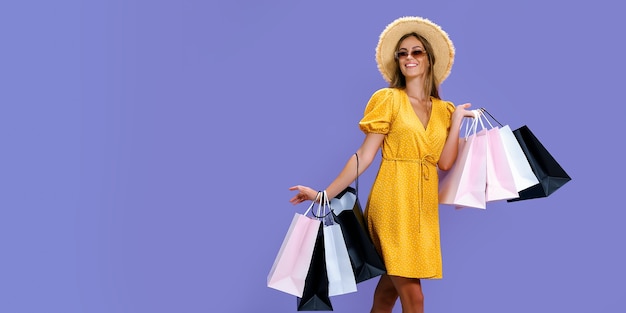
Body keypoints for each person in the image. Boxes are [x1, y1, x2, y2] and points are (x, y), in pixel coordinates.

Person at [289, 16, 475, 313]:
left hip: (424, 208)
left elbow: (445, 162)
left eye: (416, 52)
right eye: (402, 53)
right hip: (392, 201)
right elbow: (364, 154)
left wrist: (454, 125)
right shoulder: (388, 99)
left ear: (430, 58)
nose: (408, 58)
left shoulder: (445, 110)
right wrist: (324, 194)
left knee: (389, 291)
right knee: (415, 297)